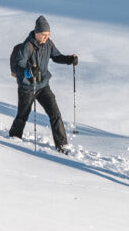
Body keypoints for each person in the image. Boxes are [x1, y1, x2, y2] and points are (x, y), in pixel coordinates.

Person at [8, 16, 79, 151]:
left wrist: (69, 59)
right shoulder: (27, 46)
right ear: (37, 33)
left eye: (48, 34)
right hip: (27, 87)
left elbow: (56, 56)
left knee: (55, 113)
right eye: (44, 34)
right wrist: (29, 72)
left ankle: (62, 144)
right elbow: (18, 66)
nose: (46, 37)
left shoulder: (48, 44)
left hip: (43, 85)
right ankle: (14, 137)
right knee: (23, 114)